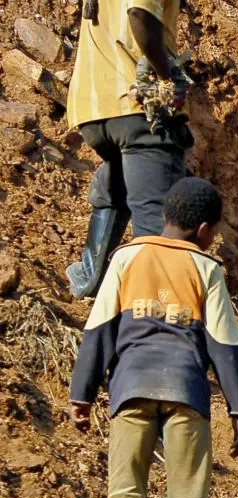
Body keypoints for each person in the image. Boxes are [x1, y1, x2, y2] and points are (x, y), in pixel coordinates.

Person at [68, 178, 238, 498]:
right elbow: (225, 344)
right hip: (187, 395)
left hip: (131, 390)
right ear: (204, 231)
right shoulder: (205, 268)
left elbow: (99, 329)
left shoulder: (125, 257)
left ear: (166, 215)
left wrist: (82, 395)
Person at [65, 0, 193, 299]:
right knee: (158, 225)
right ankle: (149, 315)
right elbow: (140, 12)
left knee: (120, 183)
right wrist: (166, 77)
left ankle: (89, 279)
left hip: (95, 108)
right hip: (136, 105)